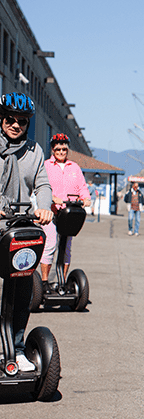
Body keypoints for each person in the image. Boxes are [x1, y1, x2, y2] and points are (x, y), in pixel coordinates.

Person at [0, 92, 53, 372]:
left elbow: (43, 185)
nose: (16, 125)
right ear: (2, 118)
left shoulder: (34, 151)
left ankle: (17, 348)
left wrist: (44, 207)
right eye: (11, 119)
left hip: (18, 226)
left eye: (22, 121)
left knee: (21, 290)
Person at [40, 133, 91, 285]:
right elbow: (42, 185)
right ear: (52, 150)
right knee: (50, 245)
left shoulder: (74, 167)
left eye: (64, 149)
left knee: (66, 248)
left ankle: (62, 282)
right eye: (58, 150)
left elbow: (82, 187)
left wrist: (86, 198)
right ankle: (43, 282)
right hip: (52, 212)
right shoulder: (46, 166)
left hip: (69, 214)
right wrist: (52, 197)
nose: (61, 152)